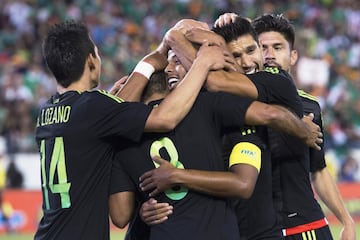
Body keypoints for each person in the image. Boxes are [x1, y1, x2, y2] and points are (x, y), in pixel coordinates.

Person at [34, 19, 232, 240]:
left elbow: (107, 113)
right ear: (91, 60)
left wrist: (151, 60)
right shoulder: (93, 107)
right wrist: (201, 64)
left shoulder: (47, 113)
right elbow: (165, 118)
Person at [109, 46, 322, 240]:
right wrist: (304, 131)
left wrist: (143, 208)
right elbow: (270, 116)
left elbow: (119, 216)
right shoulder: (207, 105)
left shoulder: (123, 140)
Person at [251, 13, 355, 240]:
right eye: (262, 47)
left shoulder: (310, 105)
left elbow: (318, 170)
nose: (269, 55)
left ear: (293, 56)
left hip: (307, 227)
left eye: (278, 47)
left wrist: (346, 220)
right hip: (257, 229)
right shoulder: (236, 104)